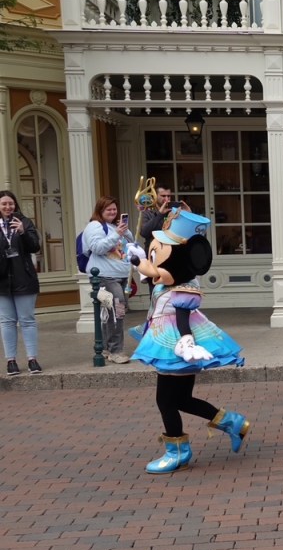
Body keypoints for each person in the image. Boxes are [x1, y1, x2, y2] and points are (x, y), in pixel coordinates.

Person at [131, 207, 249, 474]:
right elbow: (152, 271)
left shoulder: (184, 289)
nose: (153, 257)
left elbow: (183, 320)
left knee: (165, 400)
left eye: (159, 251)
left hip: (176, 347)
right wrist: (137, 261)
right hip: (172, 344)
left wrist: (186, 343)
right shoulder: (169, 283)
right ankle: (232, 422)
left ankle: (177, 451)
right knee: (181, 399)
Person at [83, 196, 139, 364]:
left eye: (114, 209)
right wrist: (117, 234)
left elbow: (131, 246)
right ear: (100, 210)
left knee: (111, 312)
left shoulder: (115, 226)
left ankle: (107, 347)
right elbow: (97, 248)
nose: (113, 212)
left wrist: (125, 232)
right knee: (117, 309)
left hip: (121, 276)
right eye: (109, 209)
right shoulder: (94, 226)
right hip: (105, 276)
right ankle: (116, 351)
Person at [0, 190, 43, 375]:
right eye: (4, 204)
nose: (8, 207)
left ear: (15, 205)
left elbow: (35, 246)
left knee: (27, 320)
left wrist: (23, 233)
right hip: (2, 280)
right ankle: (11, 361)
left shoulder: (25, 222)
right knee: (7, 322)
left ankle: (32, 359)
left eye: (11, 203)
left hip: (24, 278)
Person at [138, 184, 173, 252]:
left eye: (168, 196)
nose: (166, 199)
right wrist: (160, 214)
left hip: (171, 251)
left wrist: (187, 213)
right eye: (163, 196)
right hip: (154, 252)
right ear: (155, 196)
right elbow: (144, 233)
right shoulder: (148, 212)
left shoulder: (173, 211)